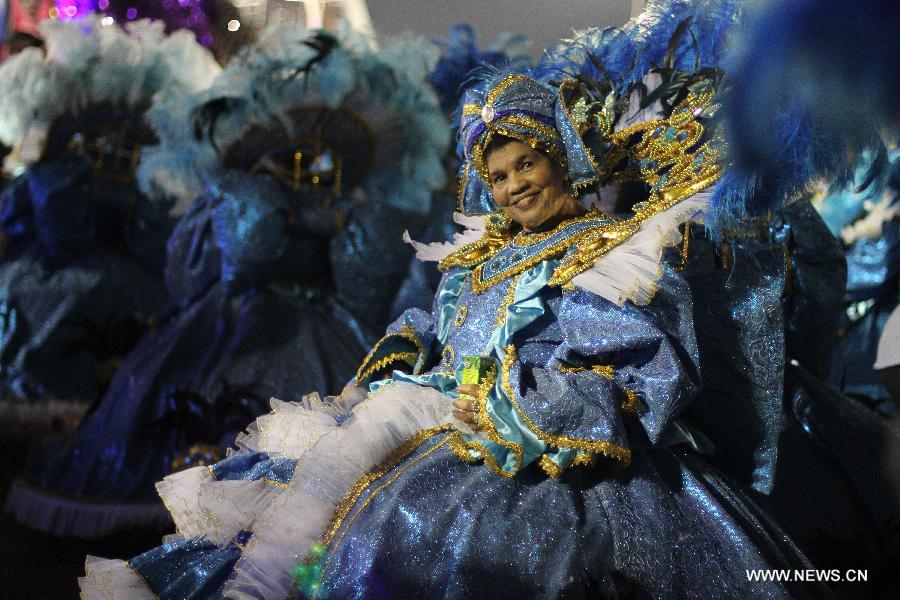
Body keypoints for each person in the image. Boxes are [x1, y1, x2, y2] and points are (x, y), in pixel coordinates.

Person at [80, 72, 829, 600]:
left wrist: (512, 404)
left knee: (430, 540)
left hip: (540, 447)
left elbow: (646, 378)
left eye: (527, 163)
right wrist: (403, 362)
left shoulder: (612, 253)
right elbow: (437, 337)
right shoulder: (477, 257)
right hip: (429, 417)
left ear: (561, 159)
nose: (514, 187)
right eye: (498, 176)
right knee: (292, 509)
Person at [5, 25, 451, 539]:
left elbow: (366, 291)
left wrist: (341, 224)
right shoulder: (233, 194)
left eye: (318, 164)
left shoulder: (357, 208)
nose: (303, 171)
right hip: (226, 322)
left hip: (322, 334)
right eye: (288, 159)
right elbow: (225, 264)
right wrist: (263, 202)